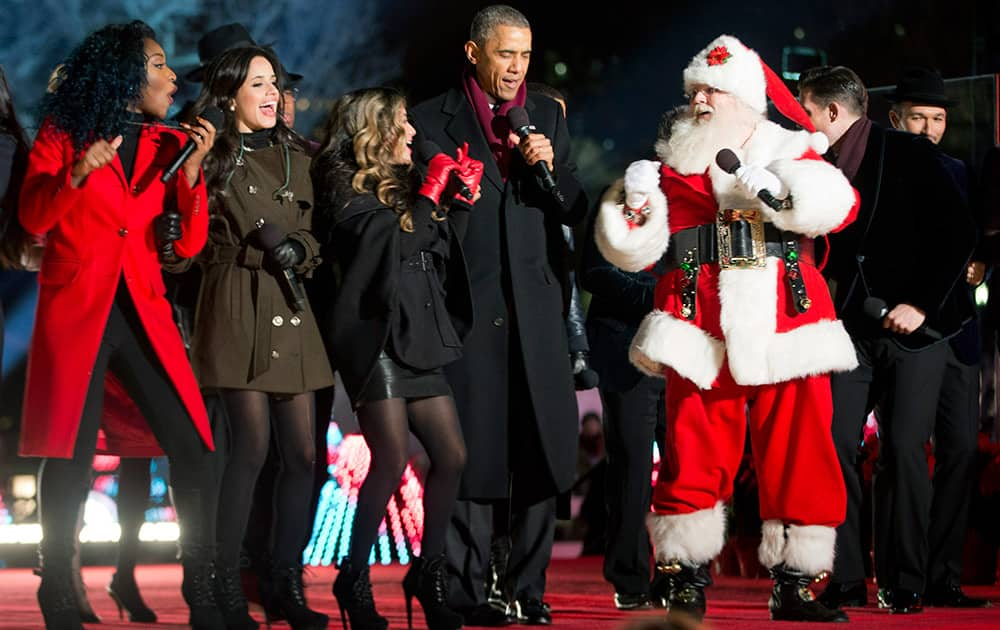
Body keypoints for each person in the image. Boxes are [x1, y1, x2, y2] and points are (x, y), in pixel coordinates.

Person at [597, 35, 860, 623]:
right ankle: (684, 574)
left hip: (786, 318)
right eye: (694, 91)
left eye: (712, 90)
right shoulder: (671, 164)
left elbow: (840, 207)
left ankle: (797, 581)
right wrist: (631, 206)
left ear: (744, 98)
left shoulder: (792, 149)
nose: (700, 101)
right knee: (692, 448)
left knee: (801, 448)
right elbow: (633, 251)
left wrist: (787, 191)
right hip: (699, 323)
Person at [17, 20, 224, 630]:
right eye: (159, 65)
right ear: (125, 75)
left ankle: (204, 589)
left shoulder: (170, 142)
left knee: (196, 449)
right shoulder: (65, 131)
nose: (172, 77)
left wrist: (191, 178)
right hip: (78, 306)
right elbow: (33, 216)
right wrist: (76, 173)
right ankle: (57, 584)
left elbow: (186, 241)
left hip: (141, 308)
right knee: (70, 456)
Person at [409, 5, 590, 625]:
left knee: (542, 447)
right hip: (468, 308)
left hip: (536, 311)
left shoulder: (544, 119)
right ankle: (464, 588)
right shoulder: (429, 117)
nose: (517, 68)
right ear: (474, 53)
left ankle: (526, 589)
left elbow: (571, 207)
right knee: (472, 451)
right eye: (506, 54)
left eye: (525, 56)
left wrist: (545, 160)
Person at [797, 65, 977, 614]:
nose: (799, 122)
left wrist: (919, 303)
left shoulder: (909, 152)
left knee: (902, 450)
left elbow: (959, 234)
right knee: (834, 444)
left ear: (831, 111)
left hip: (915, 333)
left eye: (805, 110)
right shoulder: (811, 167)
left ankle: (905, 582)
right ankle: (847, 578)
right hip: (847, 330)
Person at [312, 85, 482, 630]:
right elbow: (385, 250)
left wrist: (457, 204)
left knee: (451, 455)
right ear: (375, 129)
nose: (413, 133)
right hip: (377, 338)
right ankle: (353, 576)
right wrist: (430, 196)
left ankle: (429, 575)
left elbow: (434, 246)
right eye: (403, 123)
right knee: (388, 460)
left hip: (420, 333)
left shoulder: (407, 182)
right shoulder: (341, 181)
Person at [184, 44, 334, 630]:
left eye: (275, 83)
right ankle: (221, 584)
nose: (273, 95)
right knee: (248, 450)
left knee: (302, 455)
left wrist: (306, 248)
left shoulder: (298, 155)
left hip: (290, 304)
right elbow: (186, 242)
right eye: (258, 84)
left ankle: (285, 583)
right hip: (236, 302)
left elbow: (311, 230)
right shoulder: (211, 154)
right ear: (229, 96)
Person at [886, 66, 989, 609]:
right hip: (912, 332)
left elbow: (978, 237)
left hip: (962, 332)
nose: (928, 127)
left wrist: (981, 268)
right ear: (895, 117)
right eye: (919, 117)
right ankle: (902, 576)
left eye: (938, 119)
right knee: (905, 449)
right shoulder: (885, 172)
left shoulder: (959, 171)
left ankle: (942, 574)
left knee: (962, 452)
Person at [580, 103, 669, 607]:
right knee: (632, 467)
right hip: (627, 348)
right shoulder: (622, 194)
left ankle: (681, 574)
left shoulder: (709, 203)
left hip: (687, 354)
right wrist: (656, 295)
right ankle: (631, 578)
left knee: (689, 468)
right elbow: (592, 271)